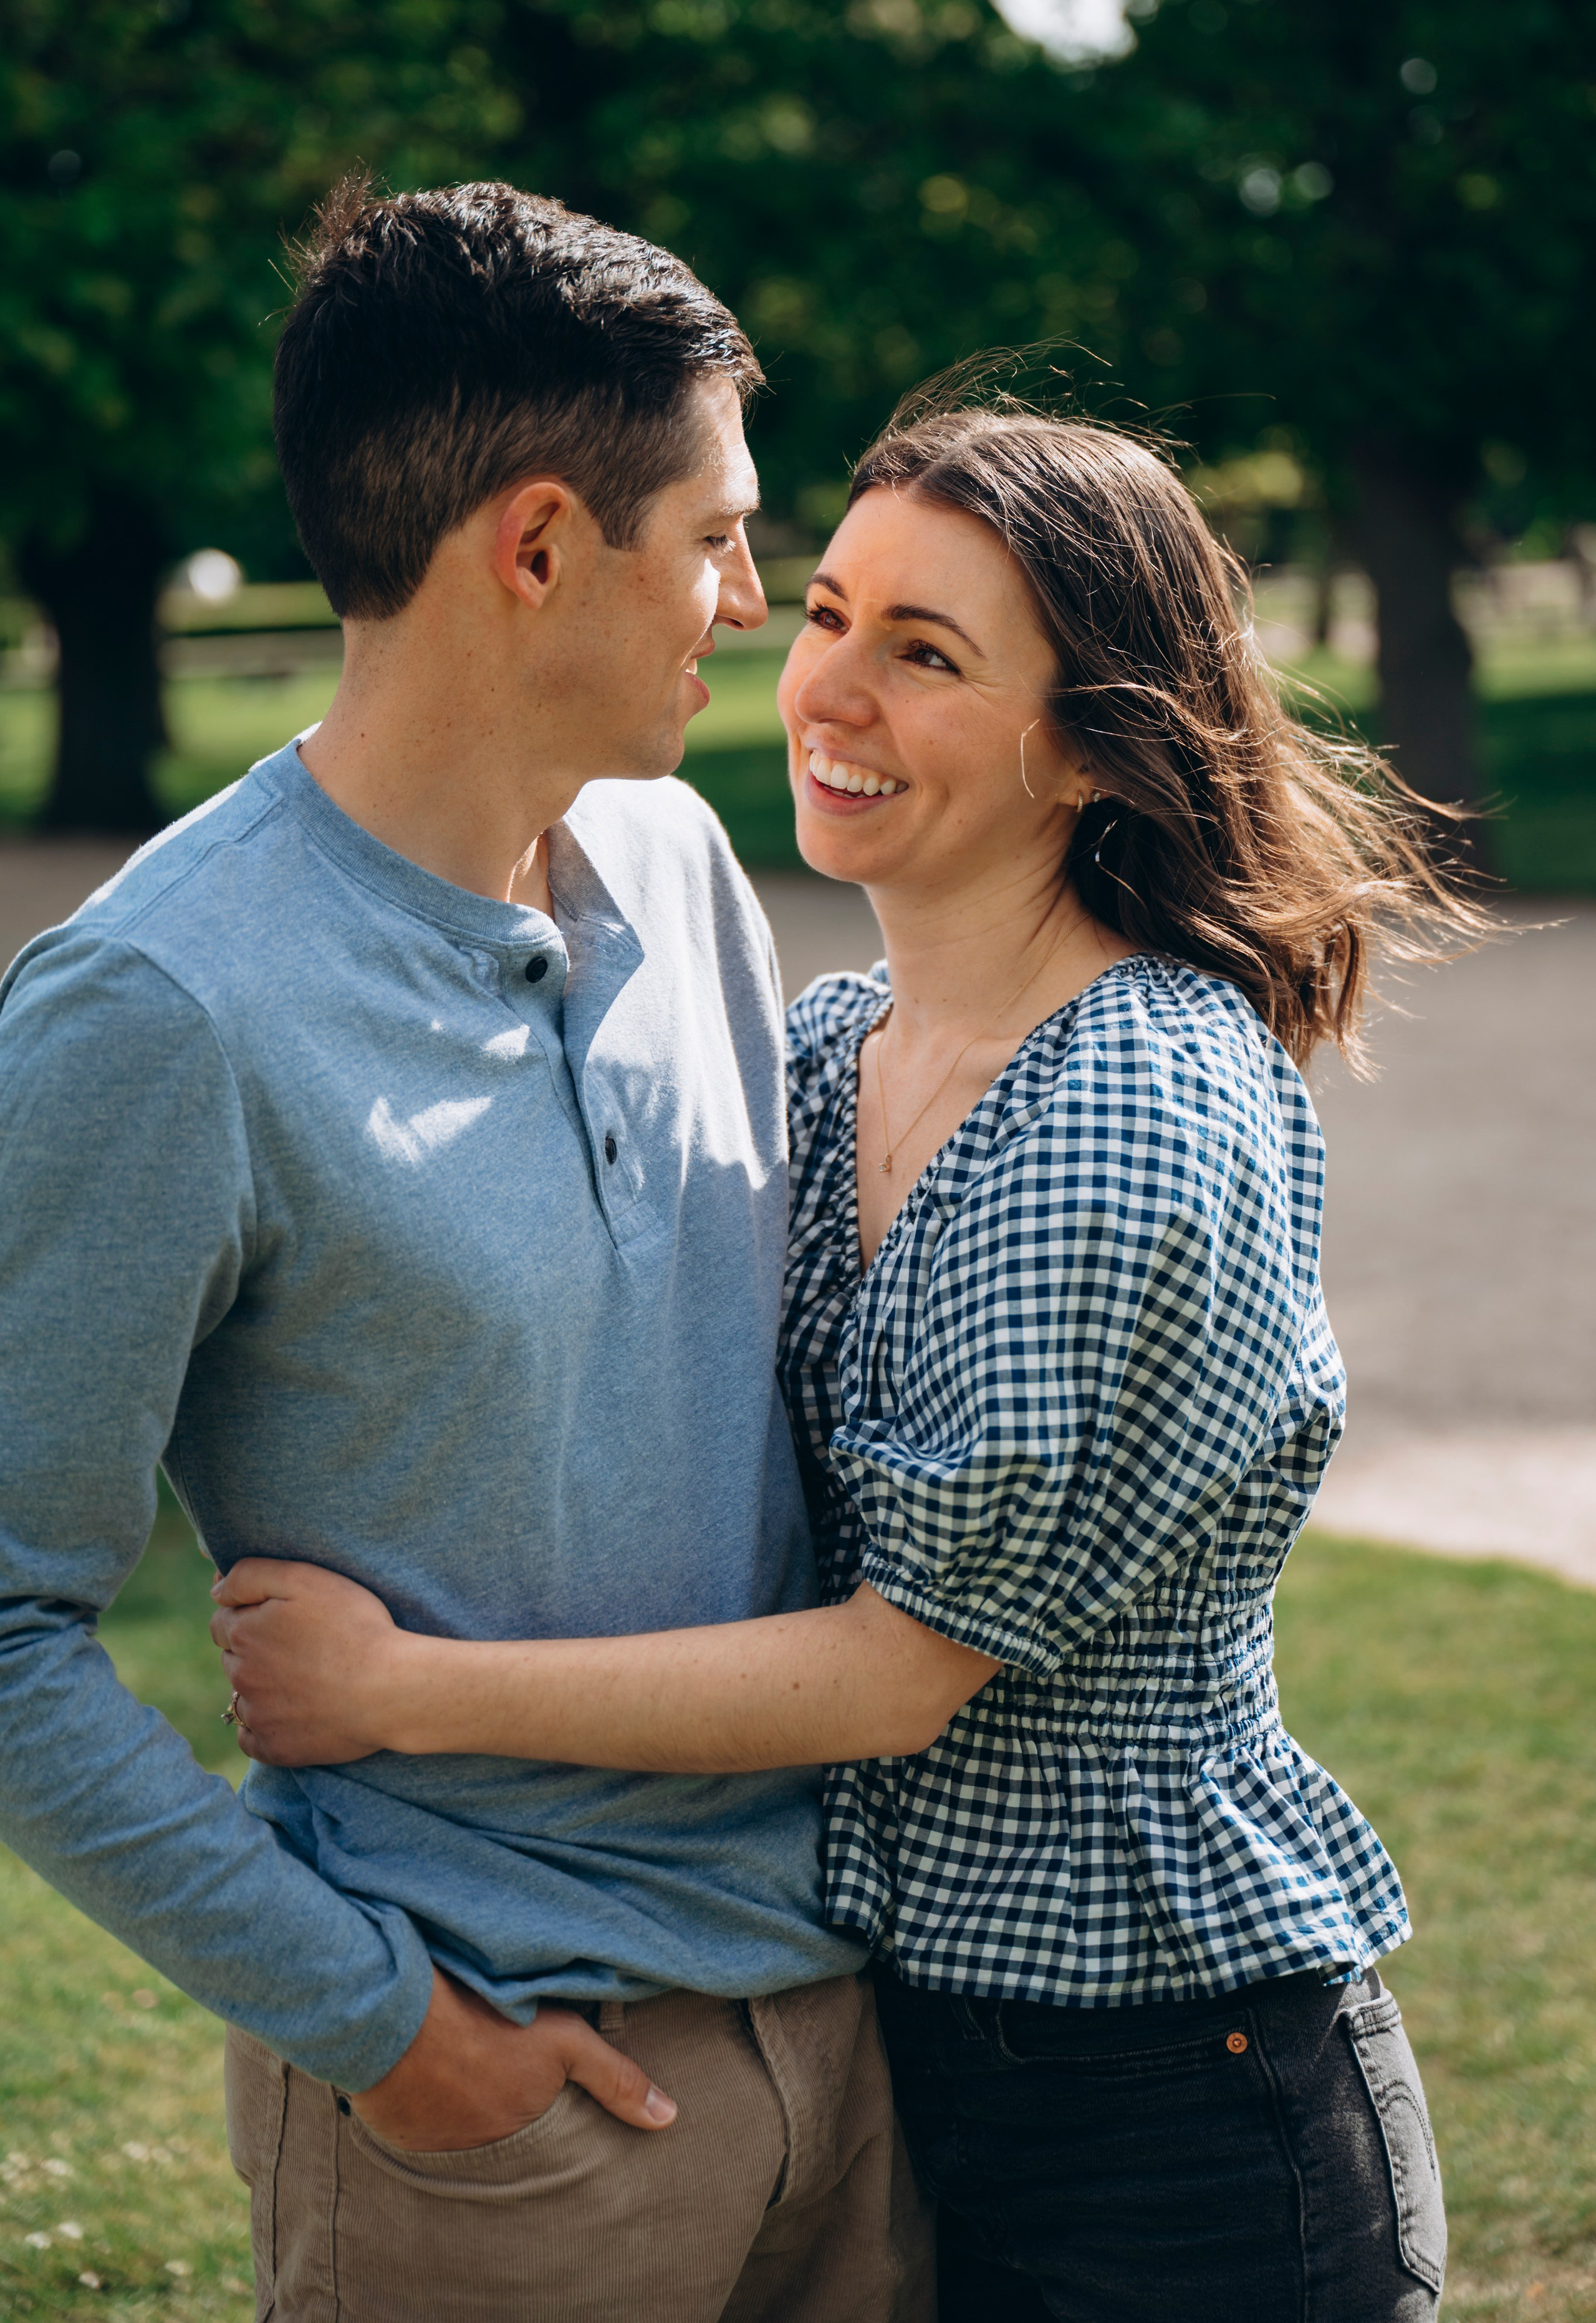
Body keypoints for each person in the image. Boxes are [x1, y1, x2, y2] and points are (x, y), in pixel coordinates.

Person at [213, 390, 1479, 2321]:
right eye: (826, 616)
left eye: (928, 654)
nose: (832, 692)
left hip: (1177, 2100)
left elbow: (898, 1674)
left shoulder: (1124, 1105)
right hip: (922, 2052)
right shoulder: (833, 1050)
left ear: (1092, 745)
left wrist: (398, 1689)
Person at [0, 181, 935, 2323]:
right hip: (502, 2118)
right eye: (715, 539)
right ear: (535, 548)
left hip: (851, 2050)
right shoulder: (160, 1007)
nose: (752, 600)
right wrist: (382, 2027)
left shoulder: (679, 857)